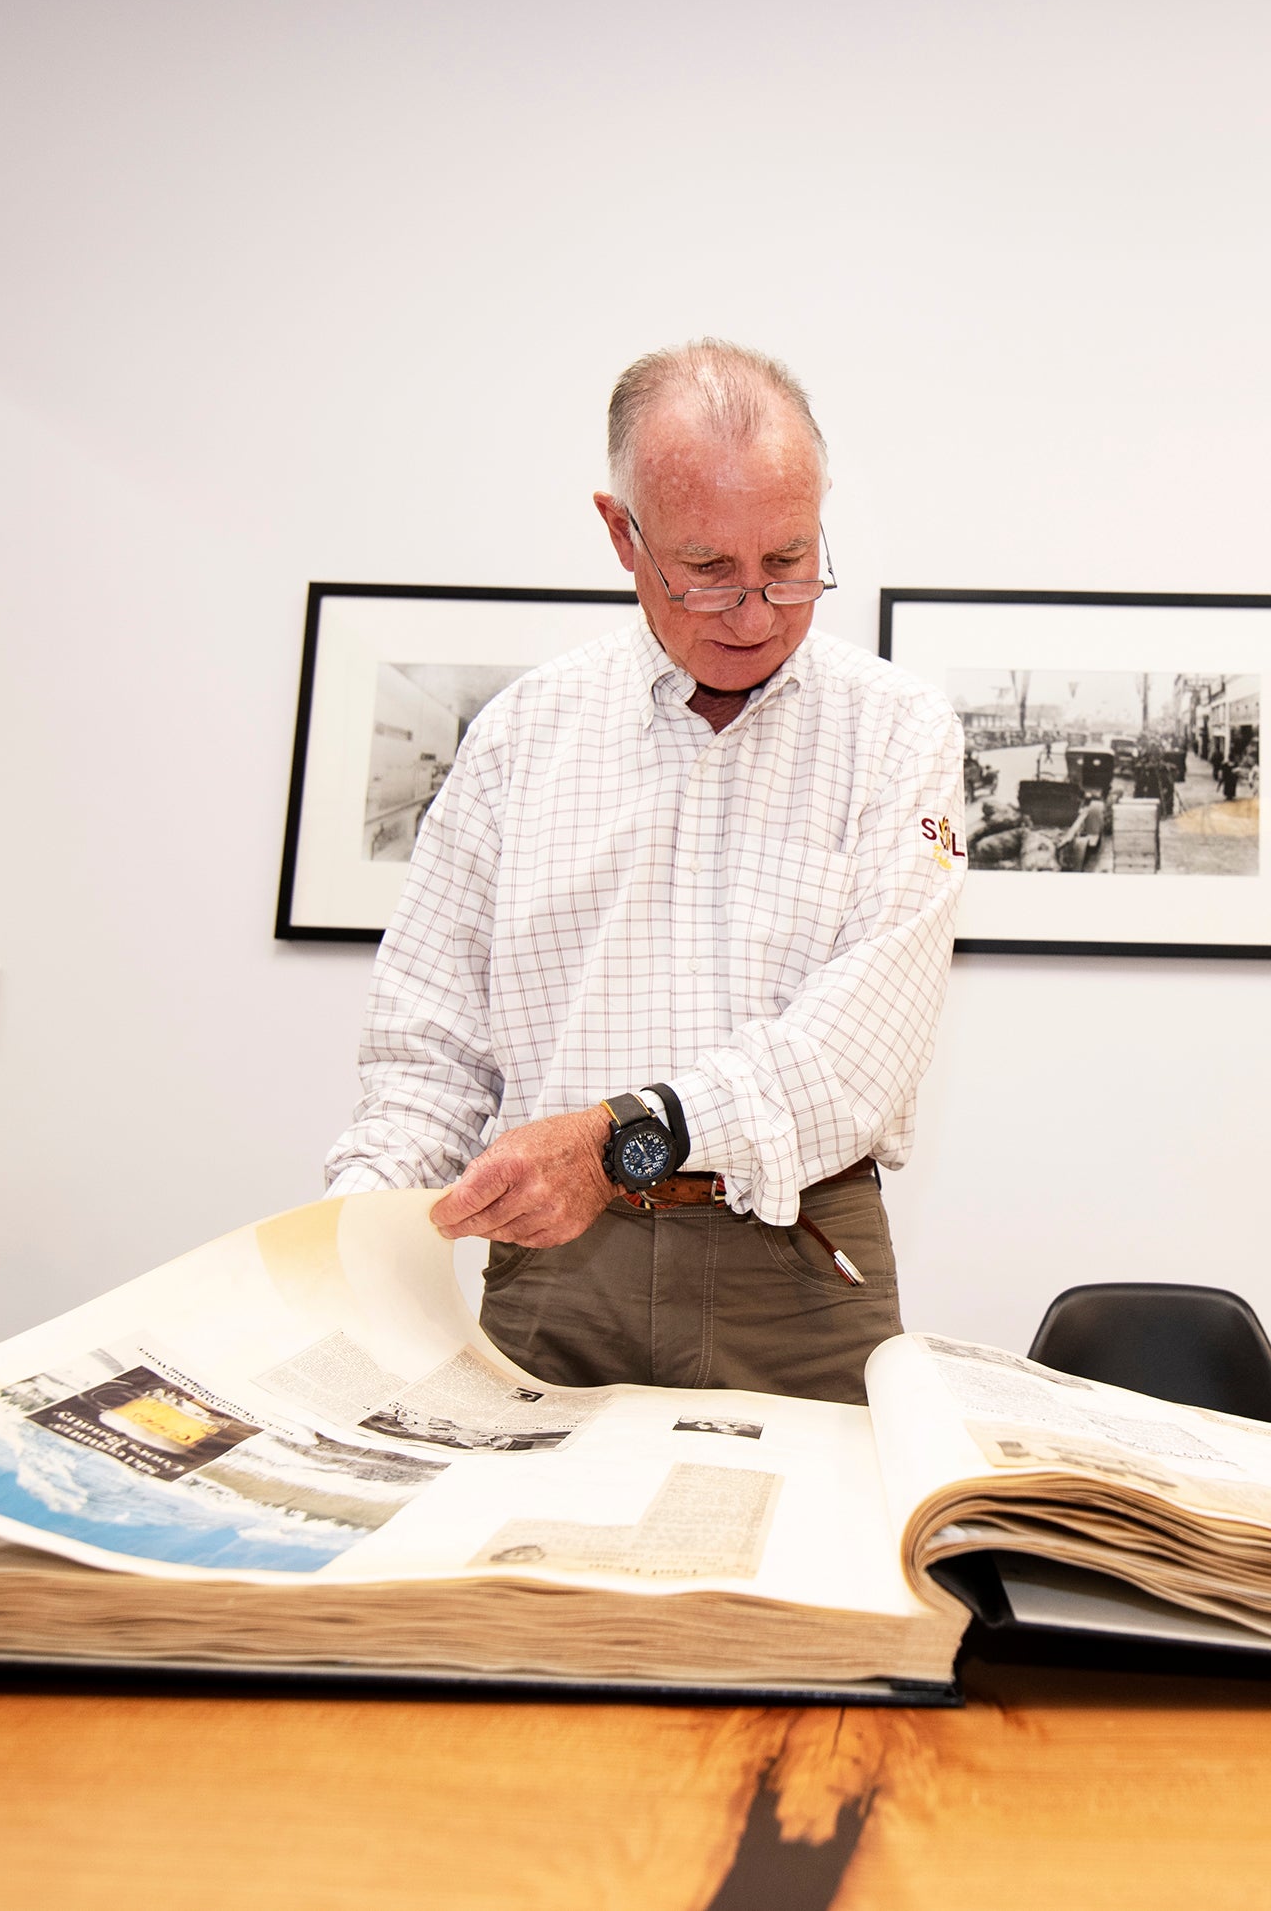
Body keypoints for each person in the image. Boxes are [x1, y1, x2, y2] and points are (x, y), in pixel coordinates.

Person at [323, 341, 966, 1405]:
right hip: (556, 1272)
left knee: (823, 1567)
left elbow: (856, 1057)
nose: (756, 613)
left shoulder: (899, 733)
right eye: (708, 569)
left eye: (791, 561)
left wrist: (619, 1136)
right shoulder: (518, 738)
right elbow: (428, 1057)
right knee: (514, 1561)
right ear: (622, 532)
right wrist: (350, 1233)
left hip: (800, 1266)